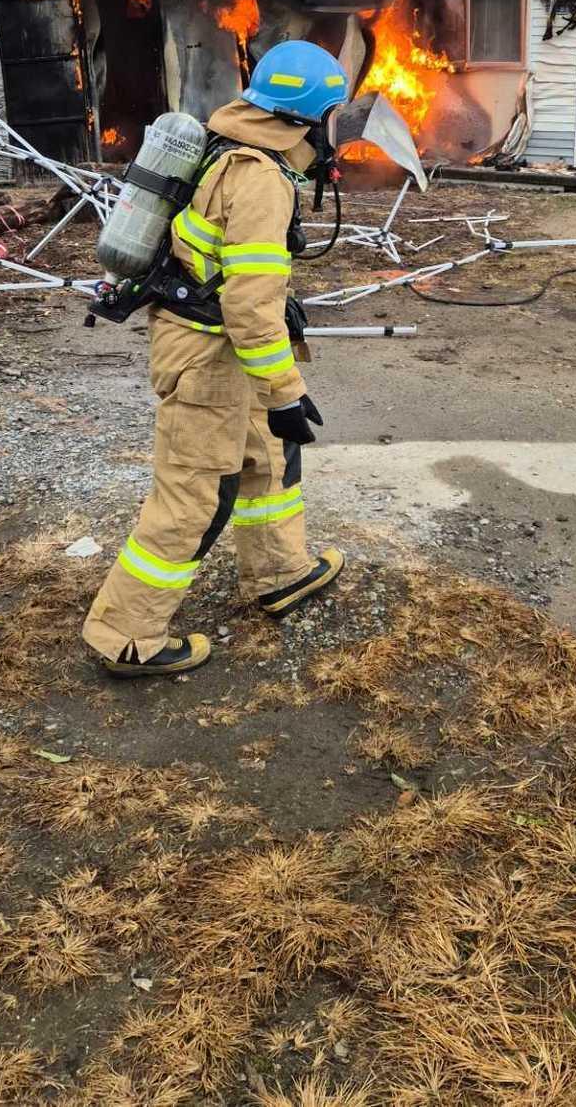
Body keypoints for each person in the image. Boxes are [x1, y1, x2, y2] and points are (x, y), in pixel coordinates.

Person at [82, 39, 348, 677]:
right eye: (334, 112)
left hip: (221, 349)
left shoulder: (230, 143)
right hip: (208, 354)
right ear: (309, 115)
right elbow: (251, 308)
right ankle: (125, 637)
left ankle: (281, 573)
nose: (339, 128)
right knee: (195, 494)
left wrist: (273, 401)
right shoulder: (258, 179)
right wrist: (286, 393)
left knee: (265, 458)